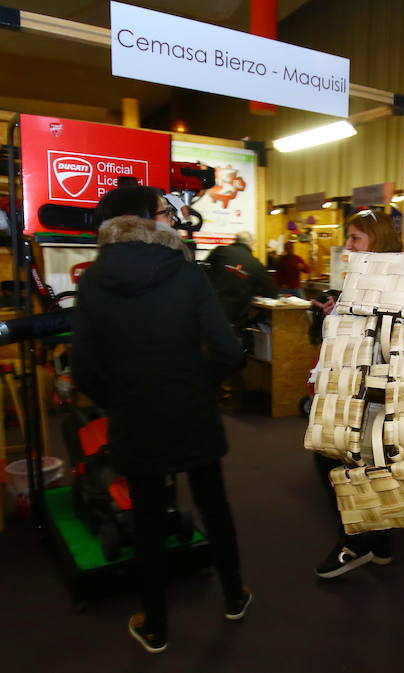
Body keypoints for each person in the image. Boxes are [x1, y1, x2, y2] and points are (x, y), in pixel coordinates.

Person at [71, 186, 251, 654]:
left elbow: (84, 369)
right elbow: (230, 351)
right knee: (213, 502)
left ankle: (155, 625)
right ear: (143, 220)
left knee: (148, 517)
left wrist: (124, 399)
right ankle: (234, 596)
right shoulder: (186, 273)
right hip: (192, 411)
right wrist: (197, 384)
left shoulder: (91, 281)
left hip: (135, 417)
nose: (171, 217)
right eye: (160, 212)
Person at [311, 209, 402, 578]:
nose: (347, 245)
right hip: (356, 386)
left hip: (373, 391)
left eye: (355, 238)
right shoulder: (363, 280)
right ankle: (377, 543)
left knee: (340, 460)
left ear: (374, 242)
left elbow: (387, 334)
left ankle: (357, 541)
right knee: (362, 464)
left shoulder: (390, 283)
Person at [205, 230, 278, 329]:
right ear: (251, 244)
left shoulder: (220, 251)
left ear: (236, 240)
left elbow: (204, 270)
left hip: (210, 310)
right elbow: (271, 292)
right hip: (235, 316)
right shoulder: (255, 264)